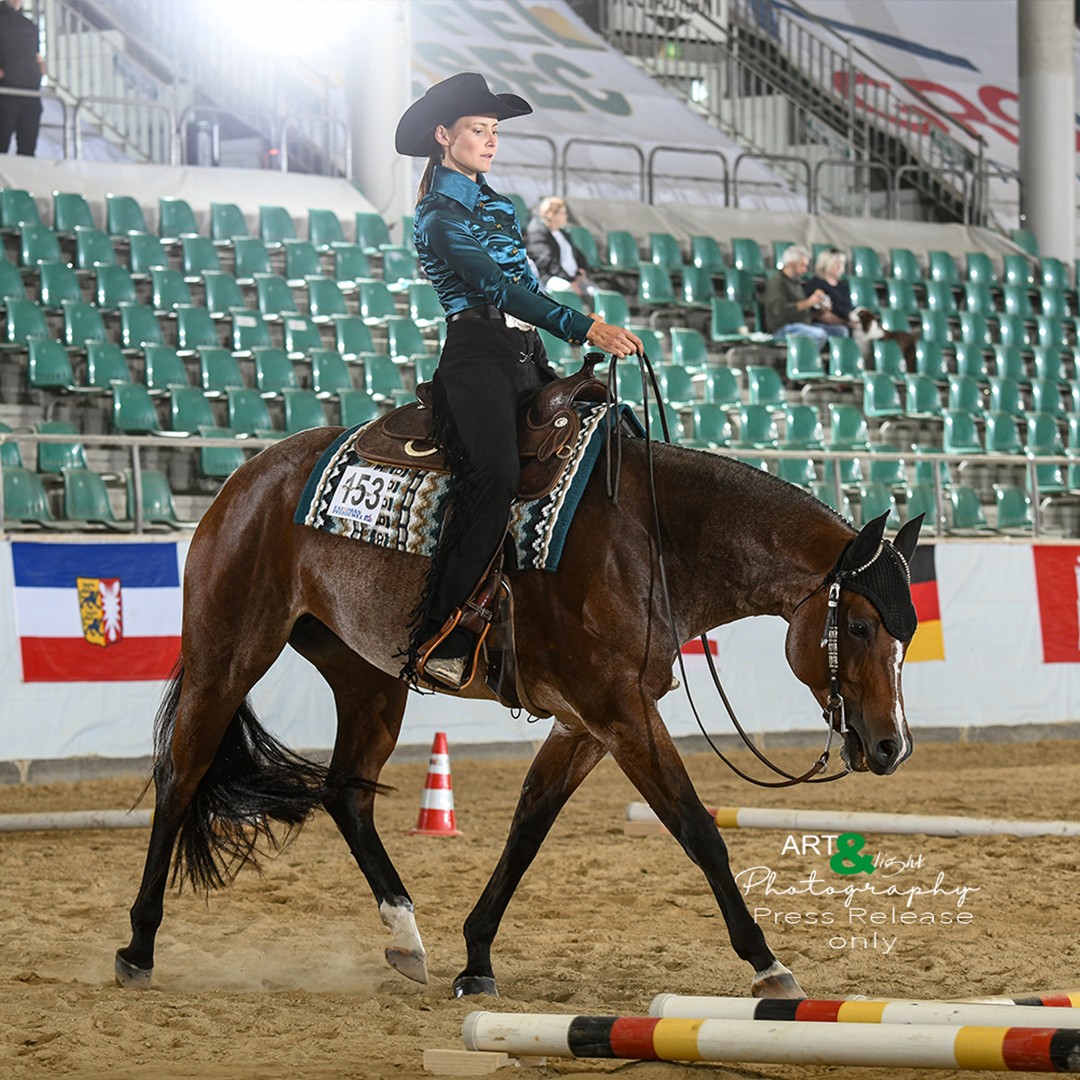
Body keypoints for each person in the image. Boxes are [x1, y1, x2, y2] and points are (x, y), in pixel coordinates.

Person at [395, 72, 642, 690]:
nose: (490, 140)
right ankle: (443, 632)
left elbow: (526, 287)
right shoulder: (437, 214)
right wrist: (586, 327)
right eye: (478, 129)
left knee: (609, 436)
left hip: (524, 353)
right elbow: (495, 288)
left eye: (494, 130)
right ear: (443, 136)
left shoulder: (499, 206)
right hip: (475, 357)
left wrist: (561, 327)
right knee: (495, 476)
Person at [524, 196, 595, 306]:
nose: (566, 216)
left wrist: (582, 271)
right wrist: (571, 281)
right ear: (552, 214)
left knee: (594, 292)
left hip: (573, 277)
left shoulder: (562, 233)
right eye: (563, 213)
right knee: (568, 290)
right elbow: (549, 262)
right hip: (551, 277)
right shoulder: (537, 232)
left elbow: (577, 254)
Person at [761, 245, 831, 348]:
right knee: (818, 335)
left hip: (802, 325)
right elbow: (778, 310)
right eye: (802, 265)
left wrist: (819, 308)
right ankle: (806, 357)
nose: (805, 270)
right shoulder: (777, 282)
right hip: (783, 328)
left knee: (840, 331)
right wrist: (808, 303)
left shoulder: (797, 283)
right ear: (791, 264)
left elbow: (803, 311)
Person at [0, 0, 46, 157]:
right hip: (6, 93)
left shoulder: (29, 25)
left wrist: (40, 70)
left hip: (31, 93)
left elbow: (37, 55)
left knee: (28, 150)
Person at [804, 248, 855, 338]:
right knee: (842, 331)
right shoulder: (816, 284)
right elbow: (823, 315)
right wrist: (844, 322)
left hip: (843, 323)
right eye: (836, 263)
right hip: (821, 325)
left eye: (841, 263)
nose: (839, 266)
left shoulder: (842, 286)